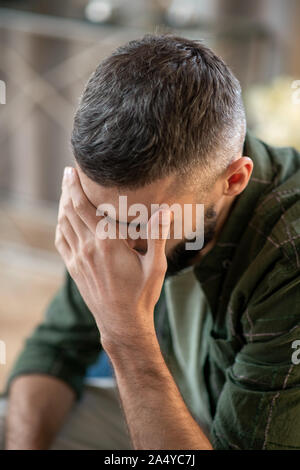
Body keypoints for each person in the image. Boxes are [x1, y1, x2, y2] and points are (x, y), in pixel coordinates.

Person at [1, 33, 300, 450]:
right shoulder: (116, 214)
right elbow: (56, 348)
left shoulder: (288, 263)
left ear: (234, 179)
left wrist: (126, 337)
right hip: (171, 407)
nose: (112, 242)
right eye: (100, 213)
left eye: (141, 223)